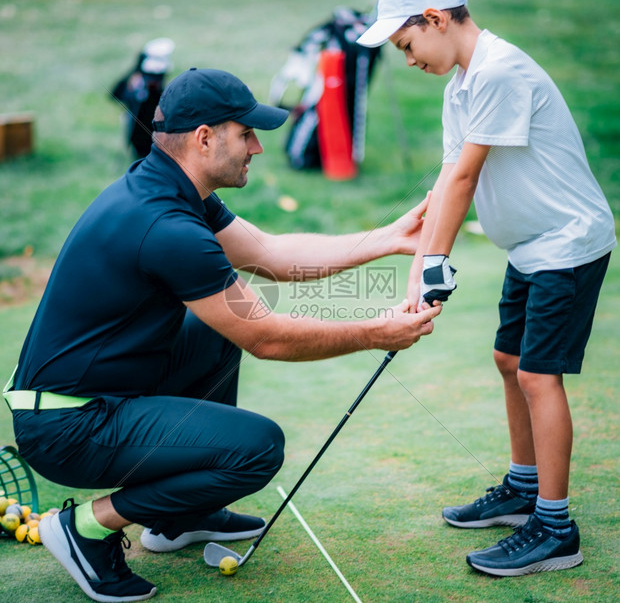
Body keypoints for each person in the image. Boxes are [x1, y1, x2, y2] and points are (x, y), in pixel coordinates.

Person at [3, 67, 441, 602]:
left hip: (90, 398)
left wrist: (387, 237)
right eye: (246, 133)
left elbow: (272, 256)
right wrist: (377, 332)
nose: (257, 147)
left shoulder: (171, 186)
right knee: (258, 449)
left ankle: (180, 518)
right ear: (204, 137)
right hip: (70, 426)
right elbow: (269, 338)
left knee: (210, 331)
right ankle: (89, 526)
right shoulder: (167, 226)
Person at [358, 0, 616, 578]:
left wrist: (432, 269)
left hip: (567, 242)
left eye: (407, 43)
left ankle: (556, 528)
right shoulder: (461, 86)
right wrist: (419, 274)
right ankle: (524, 487)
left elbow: (465, 179)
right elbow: (446, 182)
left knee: (536, 373)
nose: (408, 58)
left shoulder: (500, 72)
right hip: (529, 247)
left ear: (434, 17)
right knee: (508, 359)